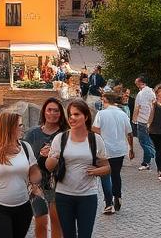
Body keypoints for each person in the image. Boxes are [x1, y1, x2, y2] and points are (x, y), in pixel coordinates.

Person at [46, 98, 111, 238]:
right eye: (70, 115)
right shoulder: (60, 138)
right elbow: (49, 167)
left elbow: (107, 168)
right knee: (68, 235)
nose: (72, 118)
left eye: (76, 114)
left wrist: (96, 171)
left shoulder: (95, 139)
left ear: (86, 116)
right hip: (63, 195)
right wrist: (53, 158)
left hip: (88, 196)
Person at [0, 112, 41, 238]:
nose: (22, 128)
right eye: (19, 125)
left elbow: (34, 170)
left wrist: (35, 182)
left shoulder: (25, 147)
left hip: (23, 207)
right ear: (9, 127)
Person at [24, 97, 69, 237]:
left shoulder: (66, 134)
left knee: (57, 221)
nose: (53, 113)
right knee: (40, 221)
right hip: (37, 184)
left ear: (61, 114)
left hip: (59, 182)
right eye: (49, 110)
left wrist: (55, 156)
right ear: (44, 112)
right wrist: (41, 156)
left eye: (56, 111)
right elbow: (26, 159)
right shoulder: (32, 133)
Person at [94, 91, 133, 214]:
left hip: (105, 149)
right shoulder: (123, 114)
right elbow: (130, 133)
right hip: (119, 149)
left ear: (105, 100)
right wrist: (131, 148)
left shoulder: (101, 114)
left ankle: (108, 203)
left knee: (105, 175)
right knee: (116, 173)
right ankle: (118, 195)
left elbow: (95, 129)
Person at [132, 75, 157, 171]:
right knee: (148, 141)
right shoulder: (152, 92)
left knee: (143, 142)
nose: (135, 84)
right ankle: (146, 162)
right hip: (150, 121)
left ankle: (154, 153)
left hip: (142, 120)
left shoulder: (140, 94)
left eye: (136, 82)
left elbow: (137, 107)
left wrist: (134, 119)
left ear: (142, 83)